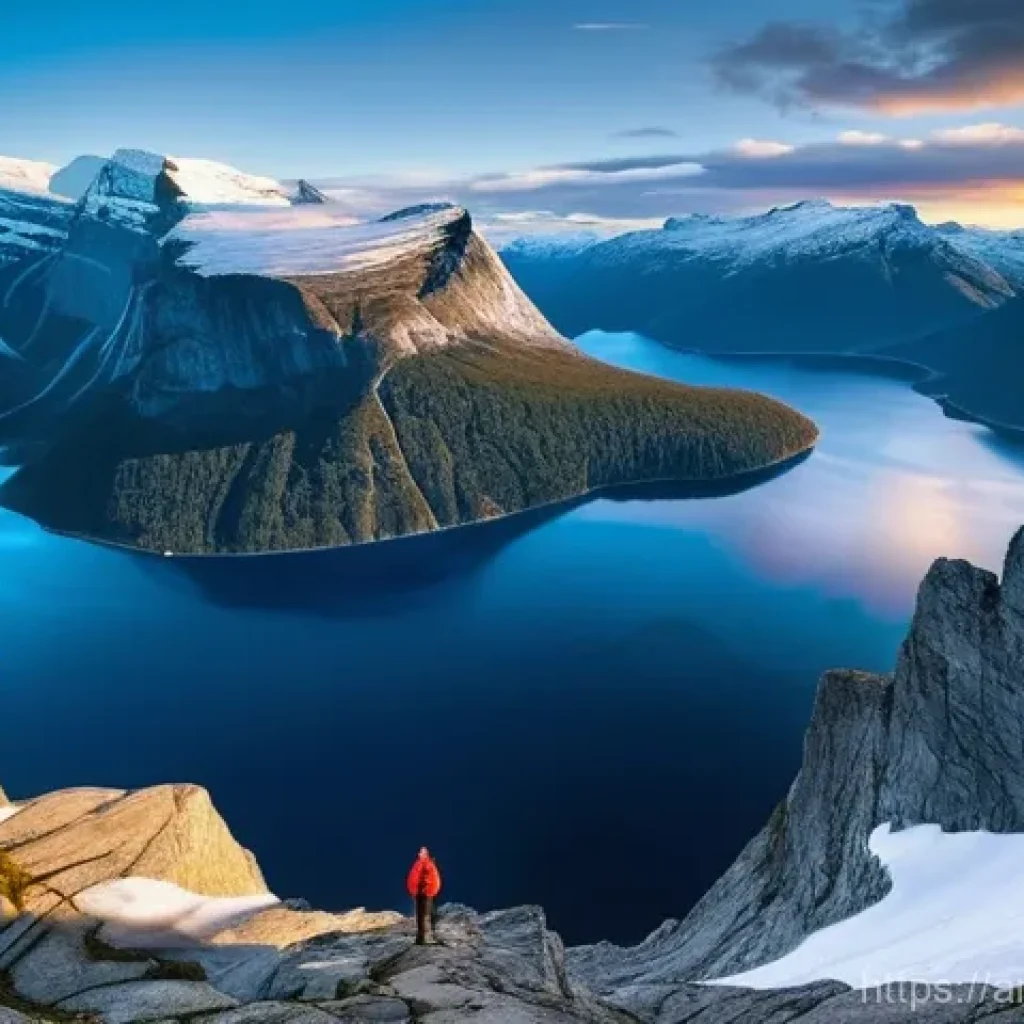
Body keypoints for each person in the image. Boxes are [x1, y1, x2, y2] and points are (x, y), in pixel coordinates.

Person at [406, 847, 442, 945]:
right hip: (422, 893)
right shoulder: (422, 863)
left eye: (422, 852)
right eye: (420, 852)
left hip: (425, 893)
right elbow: (414, 878)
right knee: (422, 915)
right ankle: (421, 938)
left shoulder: (426, 863)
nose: (420, 854)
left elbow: (429, 878)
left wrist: (427, 890)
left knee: (424, 915)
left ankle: (424, 937)